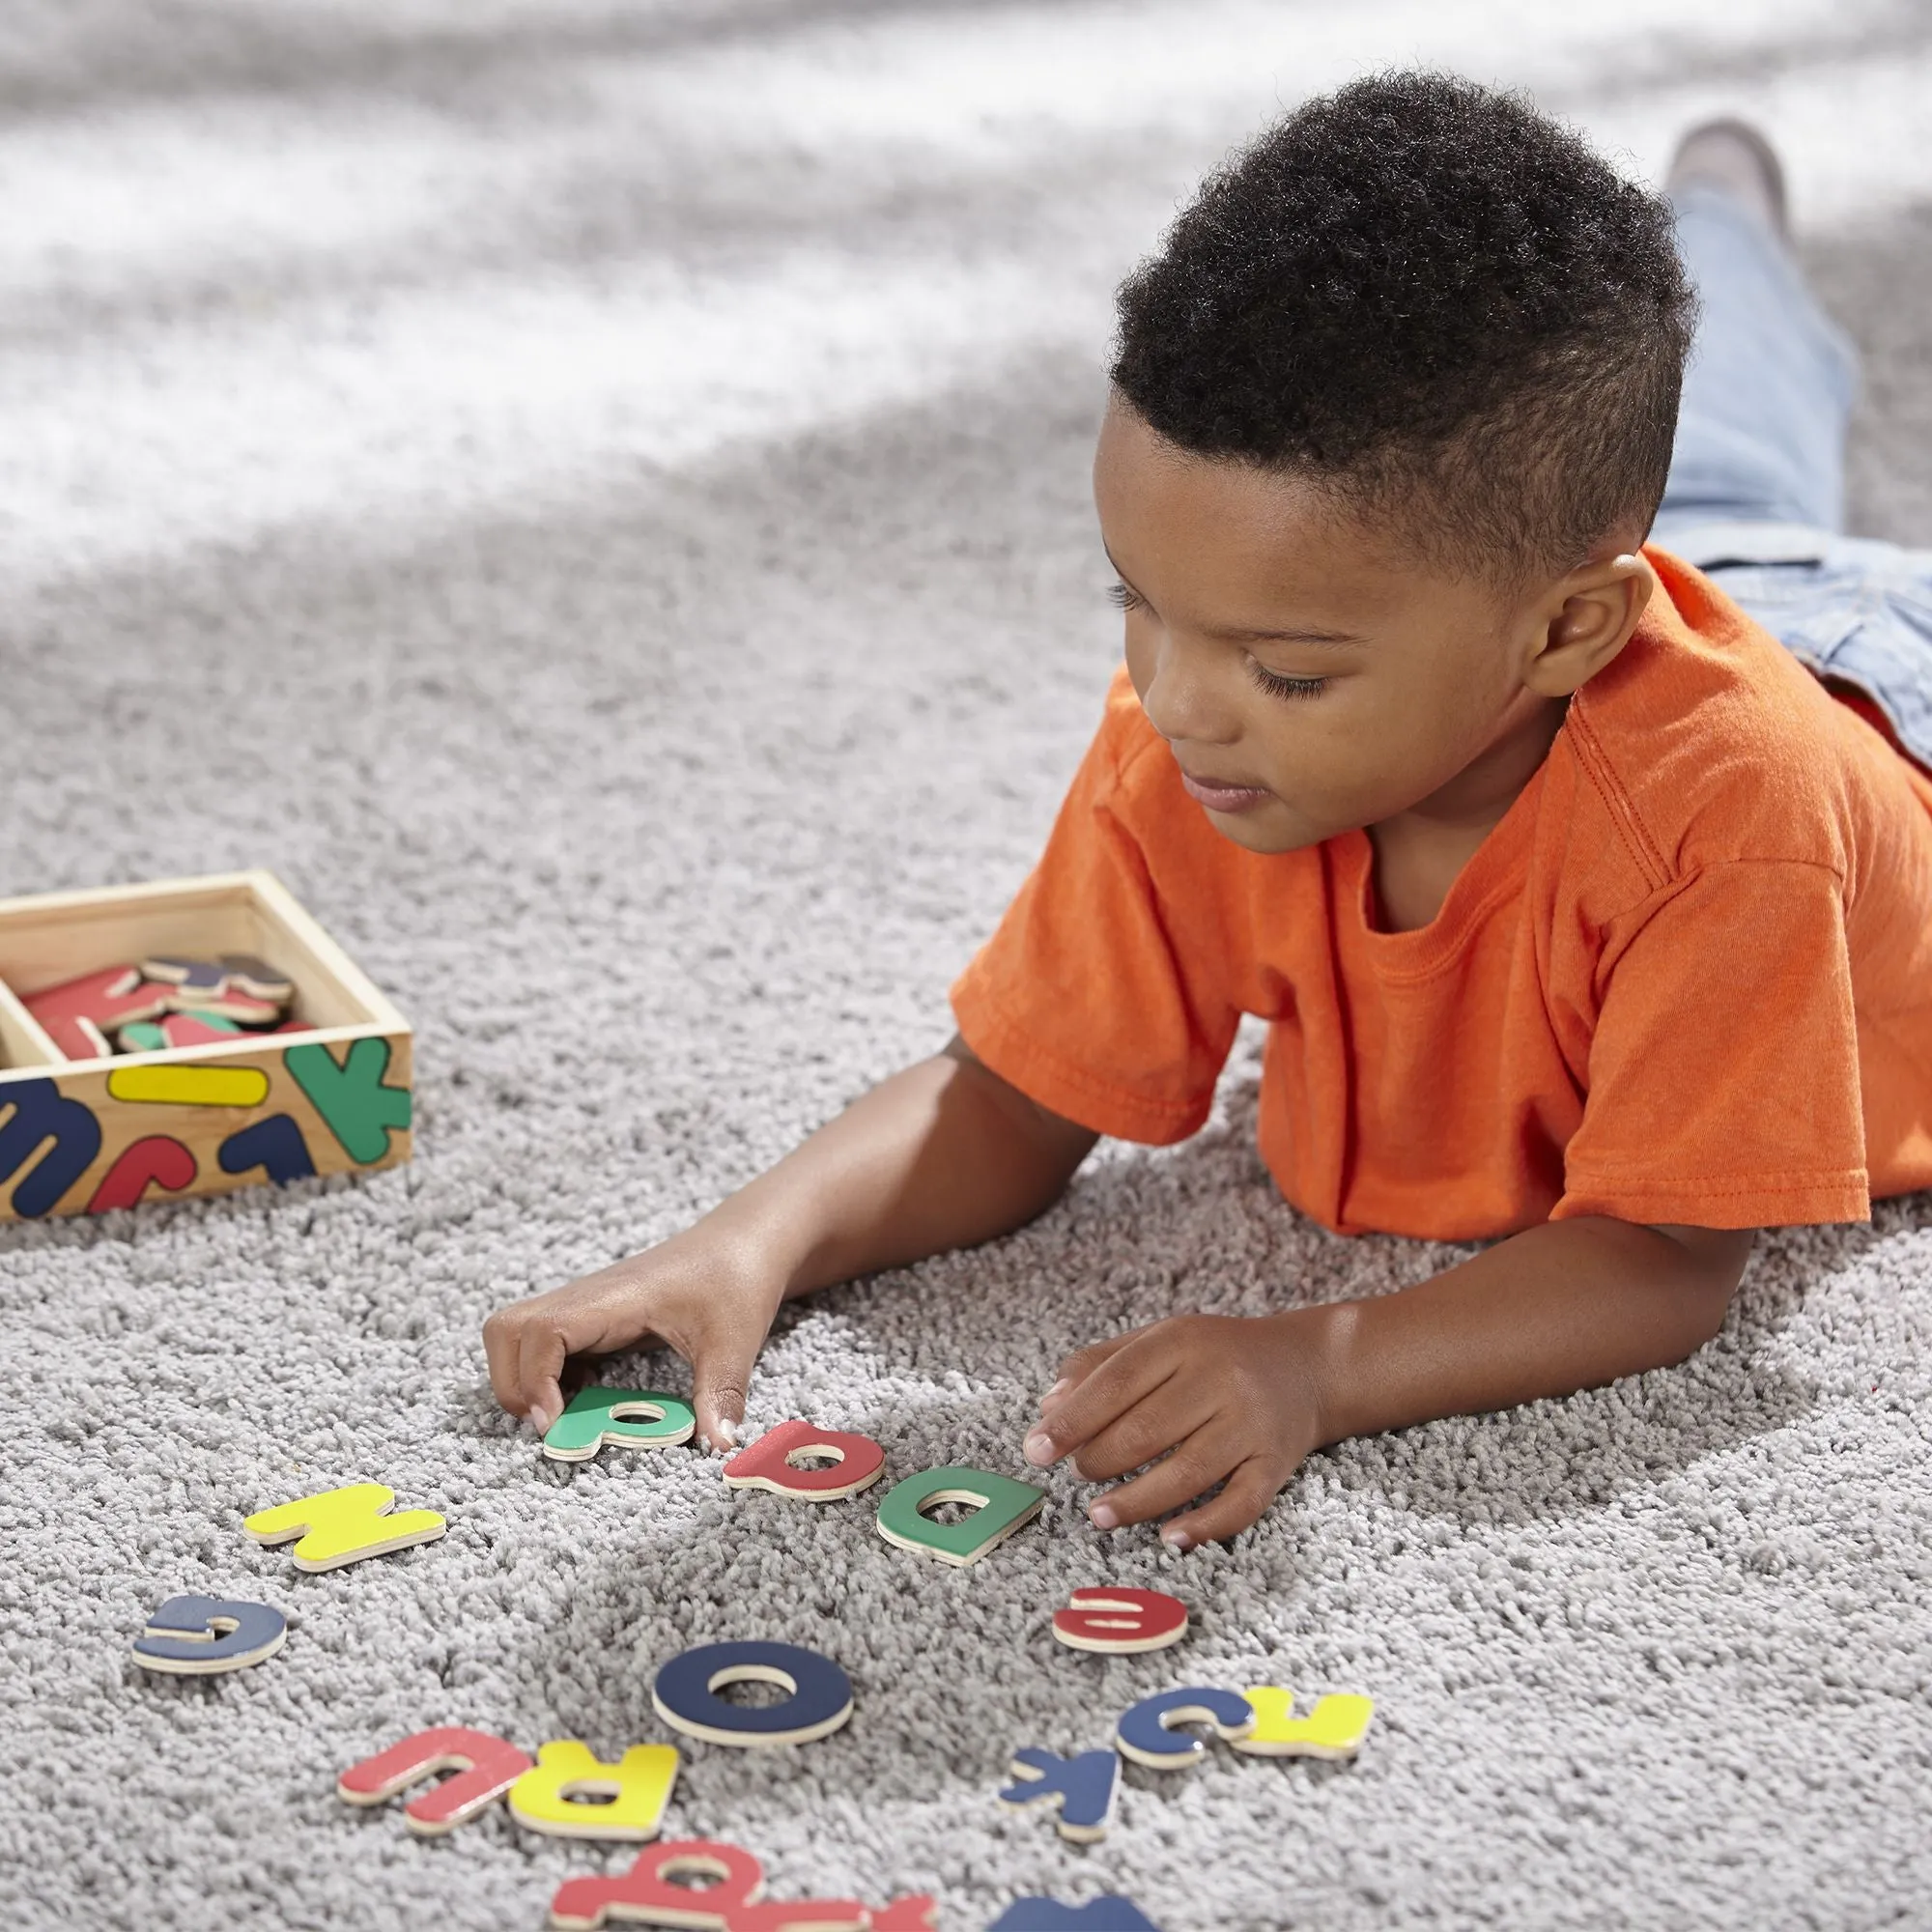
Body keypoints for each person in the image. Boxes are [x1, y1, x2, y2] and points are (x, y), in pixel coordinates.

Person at [483, 77, 1932, 1549]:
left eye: (1287, 669)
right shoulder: (1213, 736)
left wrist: (1319, 1361)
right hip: (1636, 581)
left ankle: (1719, 222)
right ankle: (1722, 210)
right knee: (1730, 430)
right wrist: (746, 1243)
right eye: (1139, 602)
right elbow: (1006, 1096)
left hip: (1877, 695)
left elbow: (1667, 1259)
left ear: (1566, 633)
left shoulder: (1734, 824)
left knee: (1740, 428)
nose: (1175, 700)